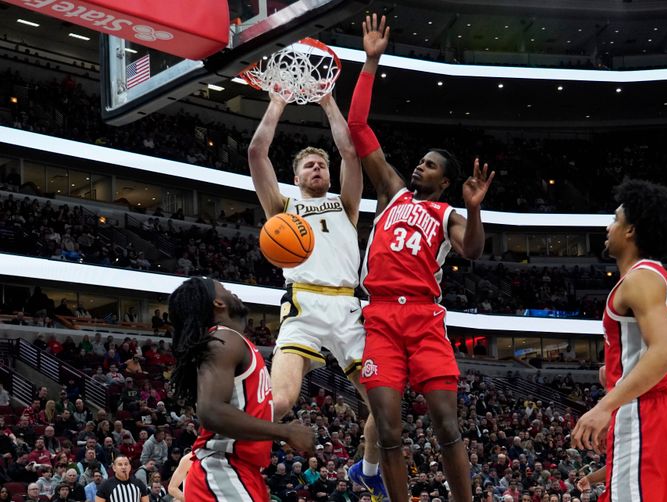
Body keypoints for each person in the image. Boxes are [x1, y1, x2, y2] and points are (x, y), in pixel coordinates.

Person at [347, 14, 494, 502]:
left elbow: (473, 250)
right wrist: (370, 62)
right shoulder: (392, 193)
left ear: (445, 181)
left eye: (430, 165)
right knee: (387, 431)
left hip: (426, 318)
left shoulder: (449, 211)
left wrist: (474, 211)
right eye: (421, 161)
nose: (419, 166)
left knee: (446, 423)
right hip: (382, 316)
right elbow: (358, 126)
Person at [248, 77, 384, 498]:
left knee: (384, 402)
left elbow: (349, 151)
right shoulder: (283, 207)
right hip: (304, 306)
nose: (318, 168)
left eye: (321, 164)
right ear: (296, 175)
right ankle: (237, 451)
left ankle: (369, 467)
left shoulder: (345, 203)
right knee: (283, 400)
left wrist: (328, 102)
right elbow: (256, 153)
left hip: (347, 309)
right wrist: (275, 103)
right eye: (309, 165)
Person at [570, 180, 667, 500]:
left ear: (630, 231)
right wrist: (613, 372)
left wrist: (606, 405)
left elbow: (666, 350)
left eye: (615, 219)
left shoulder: (639, 278)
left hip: (647, 414)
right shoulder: (658, 277)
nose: (609, 225)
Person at [168, 277, 314, 501]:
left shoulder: (234, 343)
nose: (232, 292)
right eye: (225, 288)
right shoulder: (223, 339)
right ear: (218, 303)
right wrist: (285, 432)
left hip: (242, 472)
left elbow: (264, 409)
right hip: (222, 468)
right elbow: (211, 411)